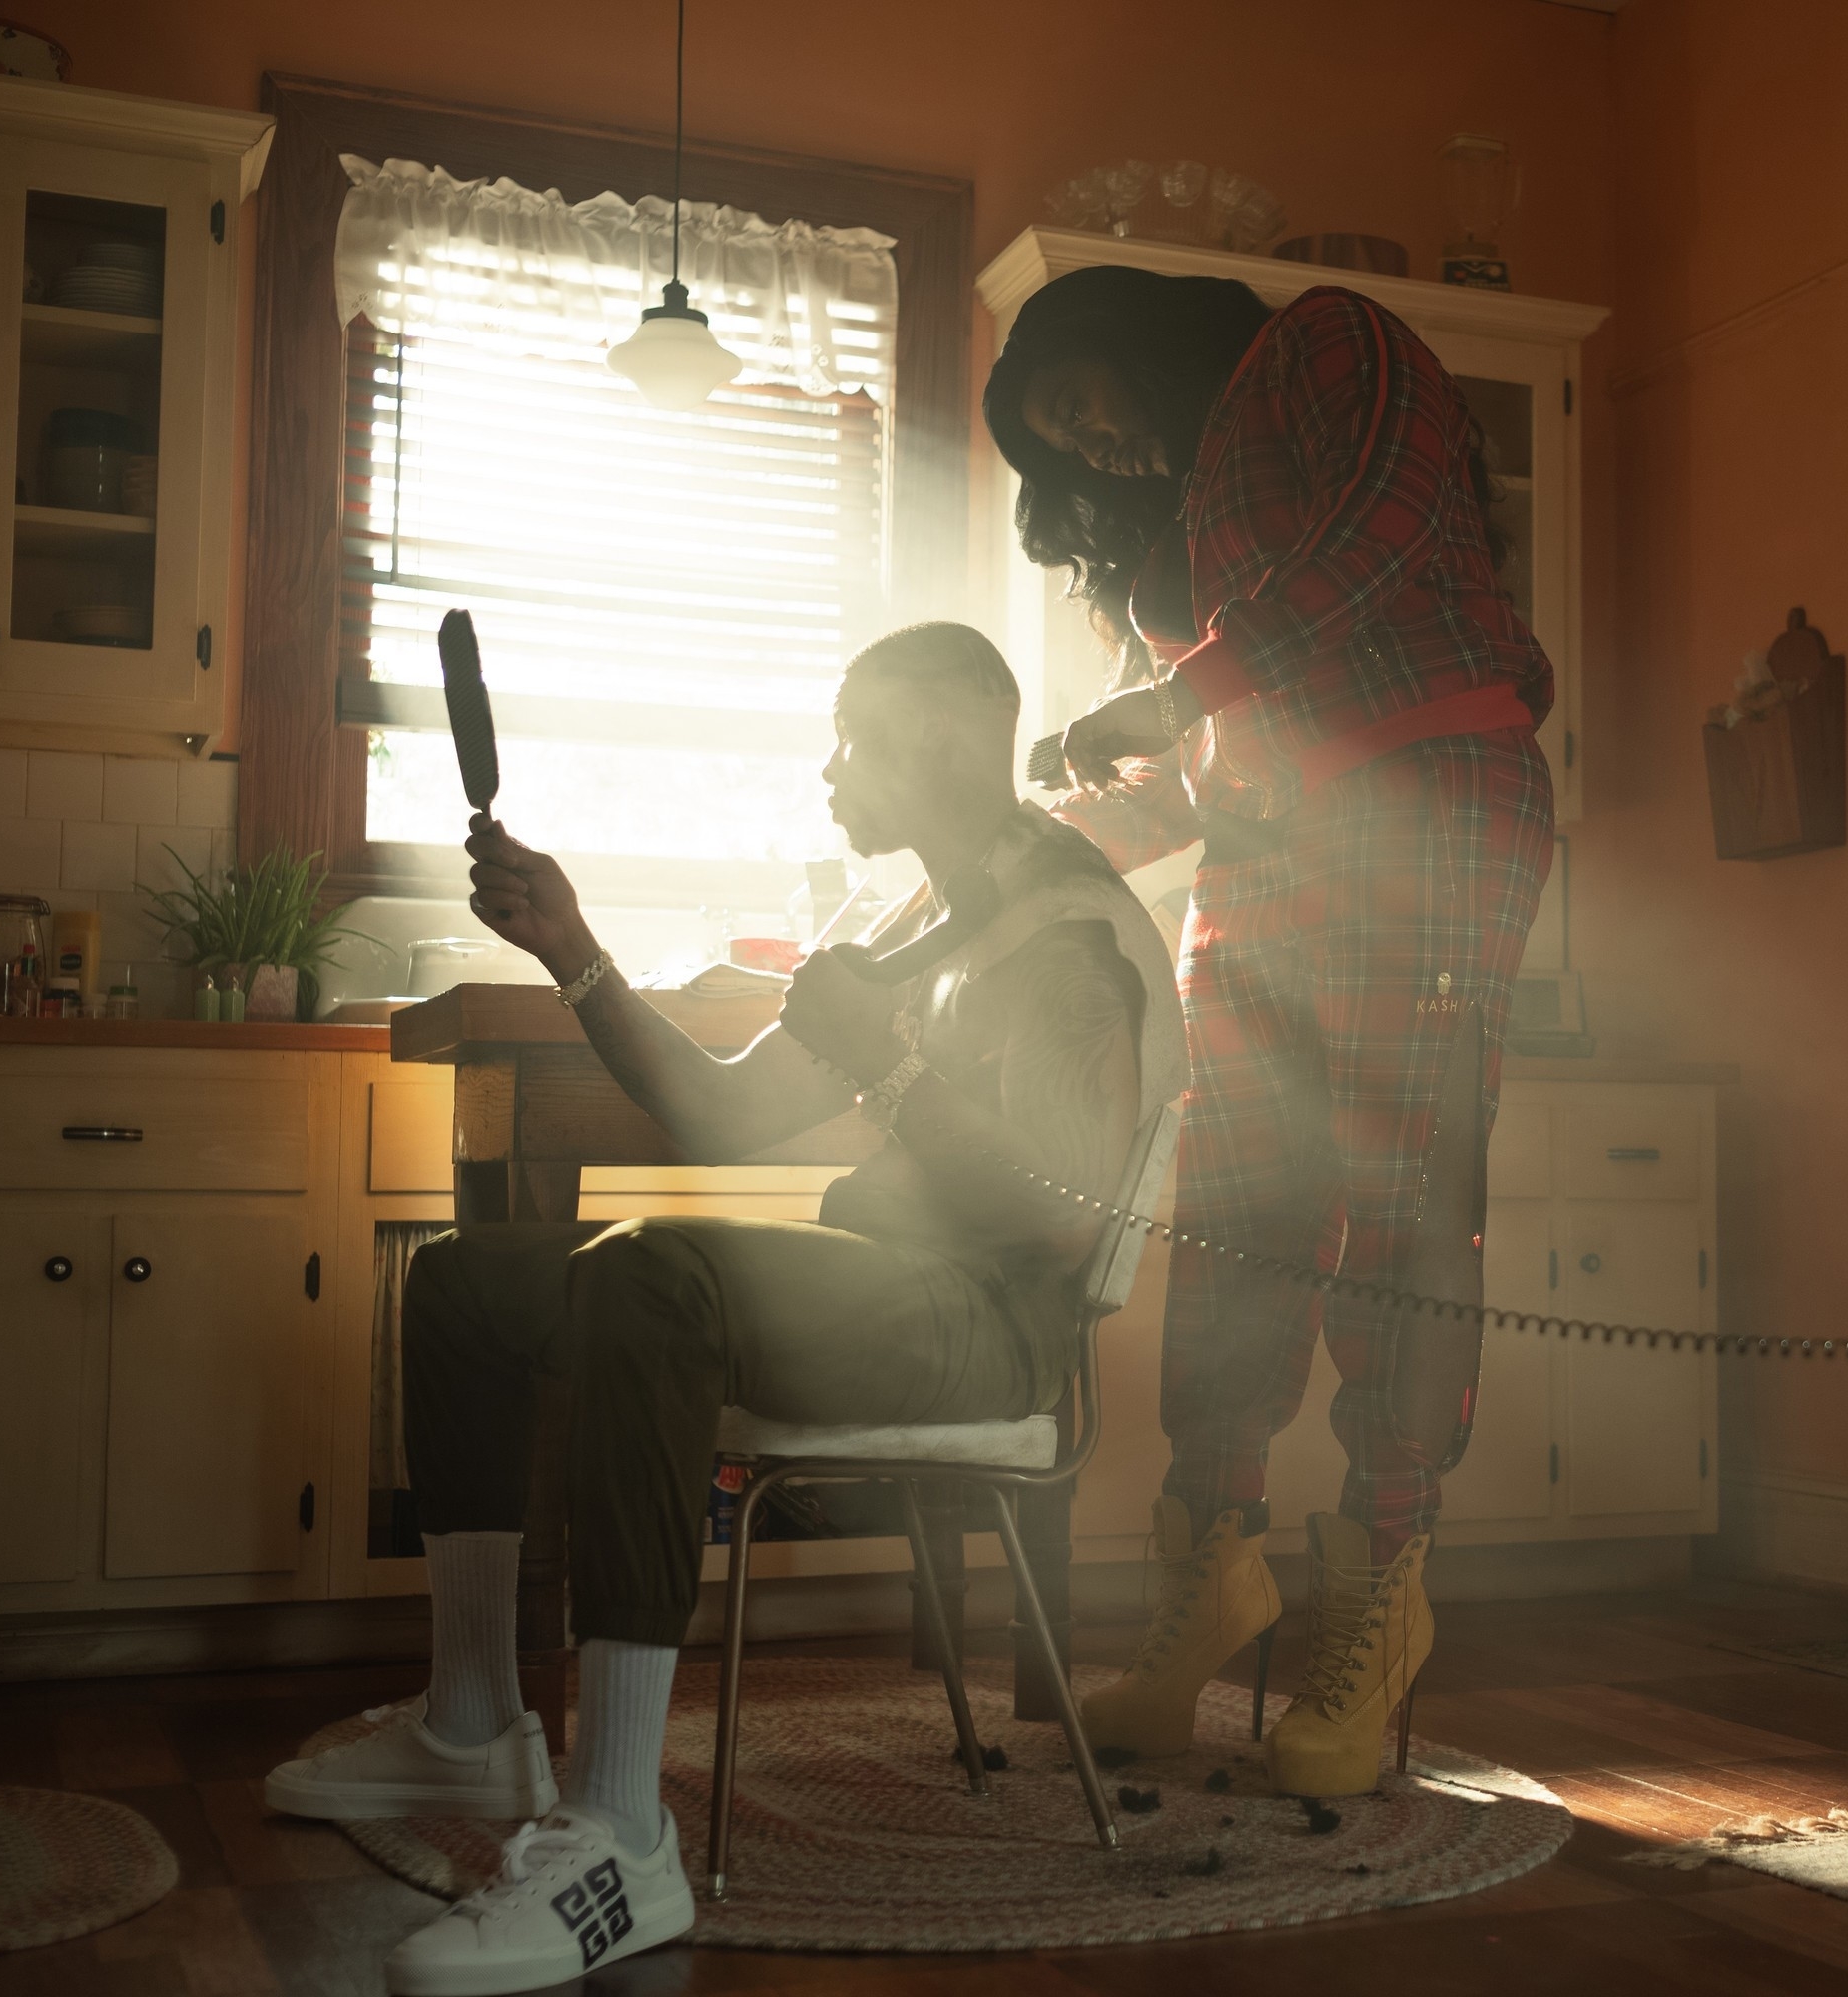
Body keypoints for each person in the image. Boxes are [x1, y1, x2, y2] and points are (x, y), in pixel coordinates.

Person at [261, 622, 1181, 1995]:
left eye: (853, 736)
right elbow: (722, 1112)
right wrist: (573, 948)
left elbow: (1060, 1212)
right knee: (465, 1283)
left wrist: (893, 1070)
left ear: (941, 734)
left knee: (646, 1271)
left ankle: (622, 1832)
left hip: (992, 1327)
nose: (830, 768)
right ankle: (470, 1722)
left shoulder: (1065, 927)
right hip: (893, 1279)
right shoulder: (908, 924)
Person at [983, 265, 1555, 1796]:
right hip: (1275, 854)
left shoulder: (1327, 343)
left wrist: (1179, 699)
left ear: (1127, 335)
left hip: (1434, 803)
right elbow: (1214, 754)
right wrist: (1019, 837)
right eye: (1062, 444)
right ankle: (1213, 1572)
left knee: (1402, 1205)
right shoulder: (1195, 544)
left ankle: (1382, 1583)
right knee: (1238, 1216)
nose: (1092, 444)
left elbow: (1371, 545)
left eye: (1080, 401)